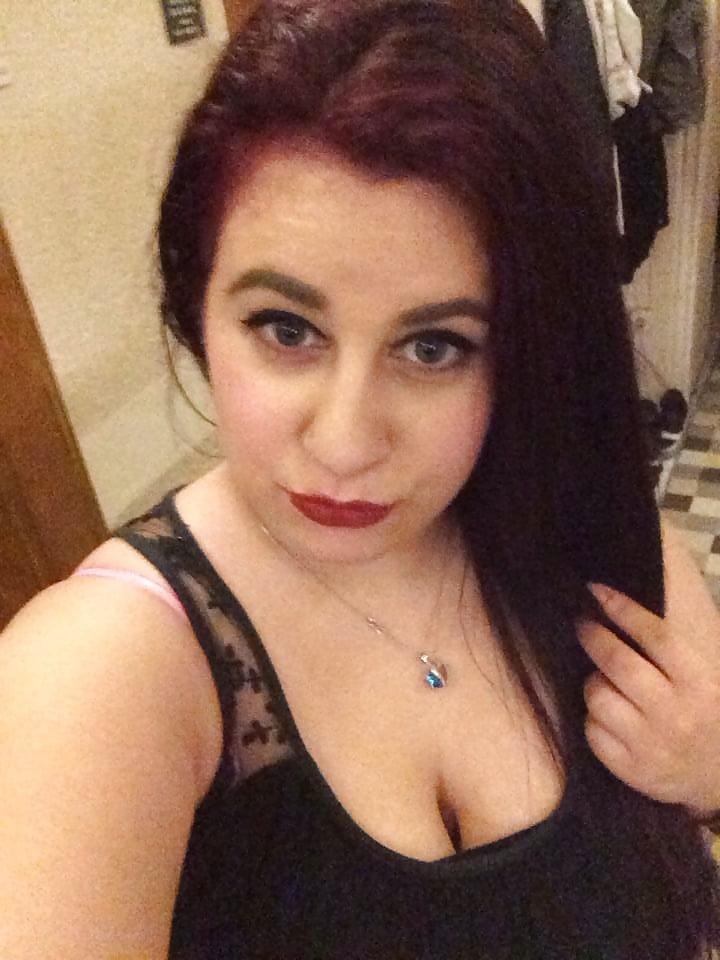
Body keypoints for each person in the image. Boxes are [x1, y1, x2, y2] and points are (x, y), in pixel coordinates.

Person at [2, 1, 720, 957]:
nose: (344, 445)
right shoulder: (101, 672)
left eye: (434, 346)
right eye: (286, 329)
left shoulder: (606, 549)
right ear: (196, 306)